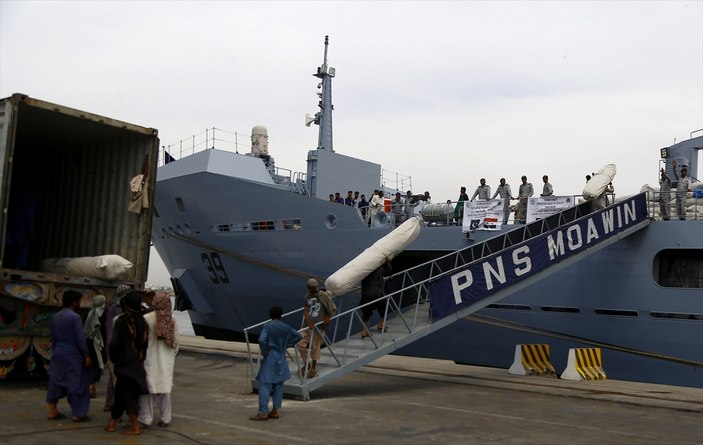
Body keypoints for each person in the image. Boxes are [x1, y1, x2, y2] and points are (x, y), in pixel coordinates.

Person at [106, 291, 149, 436]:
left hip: (124, 363)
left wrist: (113, 358)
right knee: (121, 393)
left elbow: (114, 343)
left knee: (127, 394)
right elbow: (145, 344)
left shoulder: (122, 320)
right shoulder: (143, 321)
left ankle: (135, 427)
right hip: (137, 362)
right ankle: (112, 423)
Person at [249, 306, 303, 421]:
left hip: (270, 356)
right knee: (278, 384)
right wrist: (286, 344)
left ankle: (263, 412)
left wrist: (264, 350)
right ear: (281, 315)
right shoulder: (286, 327)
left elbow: (262, 340)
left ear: (270, 315)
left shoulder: (268, 326)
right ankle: (275, 411)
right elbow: (298, 336)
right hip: (281, 356)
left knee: (264, 384)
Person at [46, 290, 92, 422]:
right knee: (77, 384)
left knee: (55, 381)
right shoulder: (75, 317)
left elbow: (53, 338)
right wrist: (86, 355)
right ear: (74, 302)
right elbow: (80, 339)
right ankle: (78, 414)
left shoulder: (56, 316)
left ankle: (52, 411)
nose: (80, 303)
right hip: (72, 355)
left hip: (58, 353)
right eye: (79, 301)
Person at [138, 293, 180, 428]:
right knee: (165, 389)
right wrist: (173, 354)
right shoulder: (172, 319)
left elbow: (141, 340)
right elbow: (176, 341)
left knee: (148, 390)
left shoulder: (146, 319)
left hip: (149, 358)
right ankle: (165, 418)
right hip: (167, 360)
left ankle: (146, 419)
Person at [297, 279, 336, 378]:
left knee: (315, 346)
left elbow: (332, 308)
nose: (315, 288)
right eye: (313, 287)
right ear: (309, 287)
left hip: (319, 325)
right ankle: (307, 363)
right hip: (308, 325)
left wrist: (327, 319)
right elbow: (306, 310)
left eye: (316, 286)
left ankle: (313, 367)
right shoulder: (307, 296)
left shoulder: (324, 295)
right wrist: (309, 322)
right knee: (300, 343)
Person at [103, 284, 131, 412]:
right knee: (119, 379)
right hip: (118, 348)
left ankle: (109, 402)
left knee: (112, 377)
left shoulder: (112, 308)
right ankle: (118, 407)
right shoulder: (121, 310)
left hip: (111, 347)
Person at [360, 257, 392, 338]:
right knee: (385, 306)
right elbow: (389, 272)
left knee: (366, 312)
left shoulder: (364, 270)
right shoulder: (378, 270)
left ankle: (364, 331)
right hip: (376, 294)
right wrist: (388, 263)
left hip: (366, 293)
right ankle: (380, 324)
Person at [84, 295, 107, 400]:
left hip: (89, 342)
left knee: (91, 365)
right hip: (97, 344)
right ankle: (91, 388)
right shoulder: (103, 314)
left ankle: (90, 386)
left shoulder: (89, 313)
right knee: (97, 365)